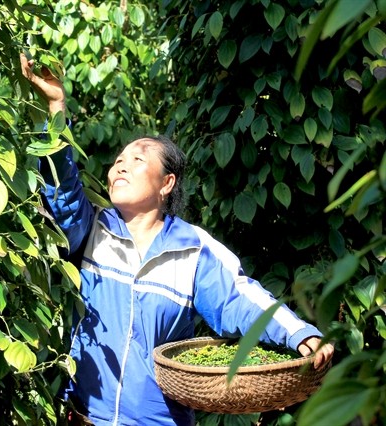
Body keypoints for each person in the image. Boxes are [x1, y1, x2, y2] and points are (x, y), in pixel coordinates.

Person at [20, 54, 334, 426]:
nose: (121, 165)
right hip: (84, 417)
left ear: (166, 184)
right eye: (118, 159)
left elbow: (240, 300)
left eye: (137, 159)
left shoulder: (192, 250)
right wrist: (57, 106)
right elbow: (63, 189)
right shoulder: (92, 230)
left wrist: (300, 335)